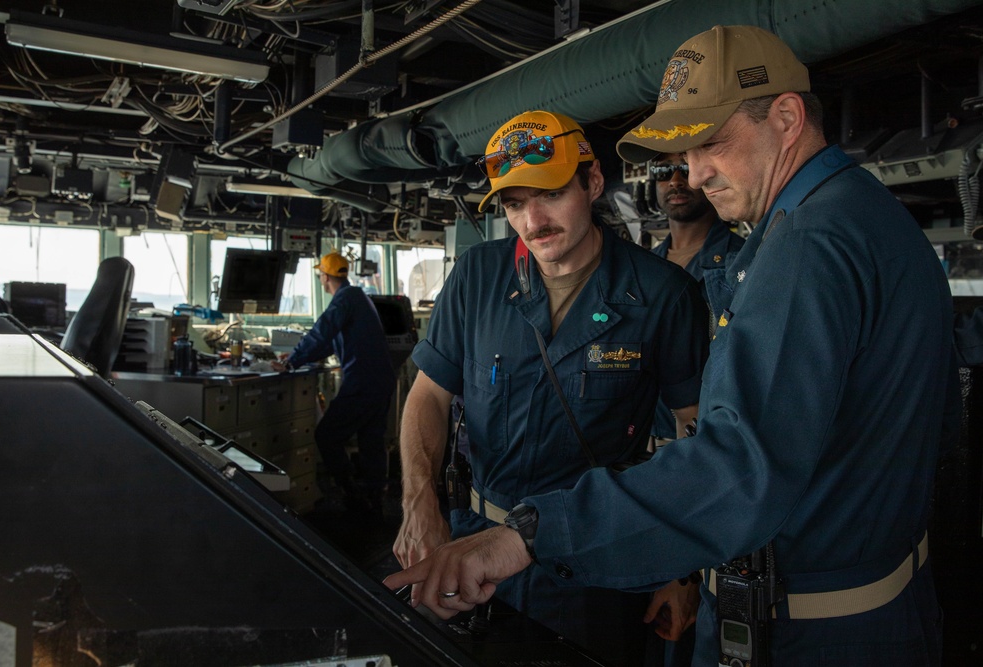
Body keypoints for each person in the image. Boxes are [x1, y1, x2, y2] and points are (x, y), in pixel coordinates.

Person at [385, 25, 959, 667]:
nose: (694, 173)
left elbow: (732, 464)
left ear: (788, 117)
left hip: (809, 624)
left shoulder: (804, 248)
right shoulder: (861, 217)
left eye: (711, 142)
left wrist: (530, 535)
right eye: (685, 152)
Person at [391, 109, 710, 665]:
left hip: (597, 558)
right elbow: (429, 397)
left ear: (591, 183)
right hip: (473, 549)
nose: (532, 219)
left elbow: (694, 431)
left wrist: (683, 569)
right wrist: (419, 501)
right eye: (514, 204)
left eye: (550, 193)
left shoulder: (664, 294)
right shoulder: (477, 277)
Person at [644, 155, 745, 665]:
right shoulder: (641, 270)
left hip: (703, 470)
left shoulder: (745, 265)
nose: (675, 182)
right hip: (643, 471)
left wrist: (684, 567)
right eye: (663, 173)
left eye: (683, 169)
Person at [275, 251, 395, 513]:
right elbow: (329, 341)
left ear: (324, 276)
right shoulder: (357, 296)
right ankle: (374, 499)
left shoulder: (345, 299)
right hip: (380, 381)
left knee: (327, 435)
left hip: (362, 383)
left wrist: (291, 362)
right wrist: (298, 356)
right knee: (371, 439)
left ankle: (350, 490)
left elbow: (322, 330)